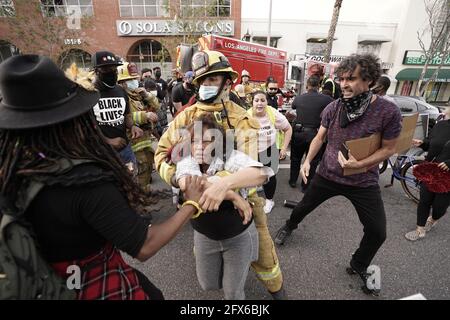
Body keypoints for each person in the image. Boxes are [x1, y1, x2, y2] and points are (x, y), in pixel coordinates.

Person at [0, 54, 204, 300]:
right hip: (92, 284)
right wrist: (191, 202)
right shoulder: (84, 181)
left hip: (41, 281)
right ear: (72, 120)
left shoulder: (13, 169)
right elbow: (146, 245)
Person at [155, 50, 286, 299]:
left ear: (227, 81)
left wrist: (218, 186)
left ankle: (277, 291)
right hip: (201, 209)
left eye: (212, 79)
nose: (205, 85)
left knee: (265, 257)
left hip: (244, 205)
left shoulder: (242, 119)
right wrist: (177, 178)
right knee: (207, 262)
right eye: (202, 81)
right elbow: (162, 155)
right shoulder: (184, 118)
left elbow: (251, 167)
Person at [274, 54, 402, 295]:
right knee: (302, 207)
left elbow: (389, 148)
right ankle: (290, 226)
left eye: (351, 79)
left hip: (364, 181)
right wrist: (307, 161)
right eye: (341, 78)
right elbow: (320, 137)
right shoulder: (333, 107)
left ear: (370, 79)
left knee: (377, 231)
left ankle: (359, 263)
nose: (344, 84)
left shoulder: (388, 111)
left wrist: (360, 163)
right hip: (328, 175)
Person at [174, 113, 275, 299]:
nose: (199, 146)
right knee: (208, 284)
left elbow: (262, 173)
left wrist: (223, 184)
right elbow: (189, 185)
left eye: (207, 140)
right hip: (205, 236)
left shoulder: (229, 157)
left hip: (238, 236)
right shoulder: (186, 159)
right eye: (194, 141)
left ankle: (239, 276)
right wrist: (232, 195)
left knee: (233, 292)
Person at [91, 50, 143, 173]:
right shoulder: (89, 93)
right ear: (96, 71)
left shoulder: (120, 91)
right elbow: (85, 127)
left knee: (132, 185)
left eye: (114, 69)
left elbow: (127, 115)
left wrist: (132, 126)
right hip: (102, 153)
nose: (112, 73)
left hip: (125, 150)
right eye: (106, 70)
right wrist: (107, 141)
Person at [405, 107, 450, 241]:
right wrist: (423, 143)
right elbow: (431, 143)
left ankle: (434, 218)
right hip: (431, 170)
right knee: (424, 200)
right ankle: (420, 229)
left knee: (439, 206)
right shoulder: (441, 125)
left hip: (447, 177)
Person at [117, 62, 160, 191]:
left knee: (146, 169)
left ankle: (145, 192)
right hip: (132, 143)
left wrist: (147, 95)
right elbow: (123, 117)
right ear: (121, 82)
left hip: (145, 140)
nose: (134, 82)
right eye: (130, 80)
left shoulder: (137, 95)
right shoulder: (120, 97)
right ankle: (139, 197)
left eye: (134, 79)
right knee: (138, 173)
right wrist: (144, 116)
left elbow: (157, 106)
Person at [248, 90, 292, 214]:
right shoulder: (247, 115)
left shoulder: (273, 113)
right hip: (252, 151)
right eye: (256, 100)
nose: (260, 103)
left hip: (270, 149)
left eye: (263, 100)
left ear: (267, 102)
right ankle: (257, 189)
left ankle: (269, 200)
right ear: (252, 102)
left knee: (270, 176)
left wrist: (283, 148)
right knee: (254, 175)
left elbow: (288, 129)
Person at [289, 75, 333, 191]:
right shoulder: (327, 99)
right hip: (316, 134)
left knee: (295, 158)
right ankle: (305, 185)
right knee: (312, 161)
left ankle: (293, 181)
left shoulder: (299, 98)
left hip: (299, 132)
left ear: (307, 86)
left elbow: (293, 107)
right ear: (319, 86)